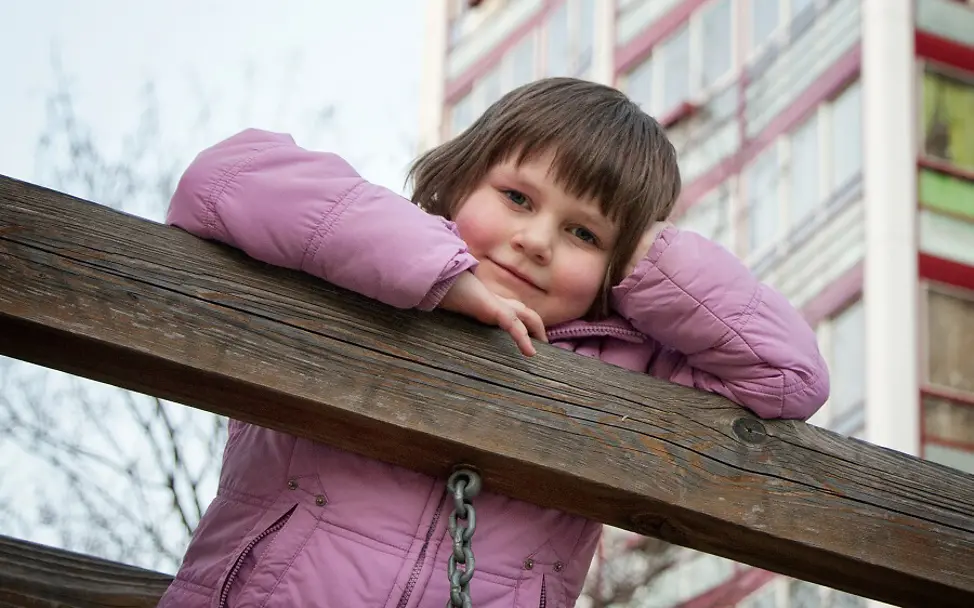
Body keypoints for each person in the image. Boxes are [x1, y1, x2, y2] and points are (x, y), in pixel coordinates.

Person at [157, 78, 829, 608]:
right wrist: (440, 274)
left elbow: (790, 375)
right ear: (461, 177)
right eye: (516, 198)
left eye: (584, 235)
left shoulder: (621, 369)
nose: (536, 240)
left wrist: (649, 253)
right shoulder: (353, 269)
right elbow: (220, 180)